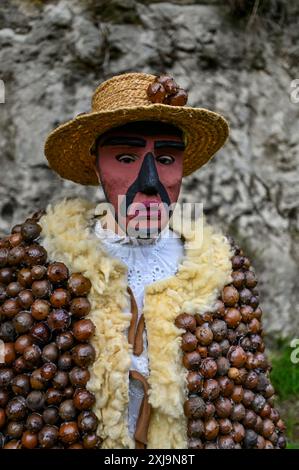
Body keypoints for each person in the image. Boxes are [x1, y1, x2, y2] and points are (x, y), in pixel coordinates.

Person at [1, 72, 286, 449]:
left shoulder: (222, 268)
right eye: (125, 157)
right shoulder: (34, 263)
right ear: (95, 164)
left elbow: (246, 404)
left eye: (166, 158)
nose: (150, 180)